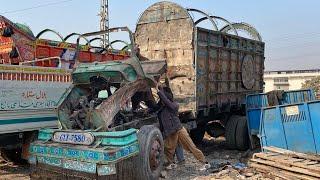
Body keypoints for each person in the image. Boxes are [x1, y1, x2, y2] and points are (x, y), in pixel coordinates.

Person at [155, 84, 210, 171]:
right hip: (171, 132)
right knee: (168, 148)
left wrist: (160, 91)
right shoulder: (162, 107)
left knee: (191, 146)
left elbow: (166, 101)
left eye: (163, 99)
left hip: (178, 129)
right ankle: (172, 163)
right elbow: (155, 107)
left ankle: (205, 163)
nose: (162, 101)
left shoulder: (174, 105)